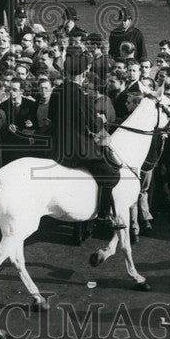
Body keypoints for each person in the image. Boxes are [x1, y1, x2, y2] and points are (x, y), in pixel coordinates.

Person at [50, 54, 119, 229]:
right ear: (85, 71)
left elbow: (51, 116)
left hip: (56, 146)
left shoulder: (57, 90)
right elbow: (94, 125)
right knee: (110, 174)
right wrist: (100, 121)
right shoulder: (81, 95)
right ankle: (103, 217)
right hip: (77, 149)